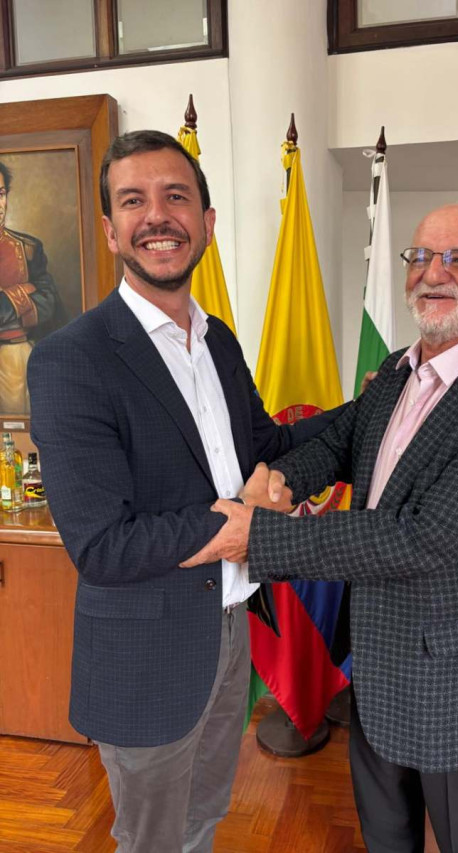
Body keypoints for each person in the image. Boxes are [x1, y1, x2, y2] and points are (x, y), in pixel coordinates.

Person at [187, 204, 458, 852]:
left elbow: (424, 538)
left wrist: (257, 535)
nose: (433, 273)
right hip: (377, 672)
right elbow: (339, 442)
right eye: (420, 256)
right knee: (385, 839)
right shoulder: (394, 371)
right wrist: (277, 481)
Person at [27, 129, 342, 853]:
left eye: (176, 196)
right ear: (111, 230)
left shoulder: (219, 339)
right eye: (132, 201)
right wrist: (234, 523)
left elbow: (268, 449)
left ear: (206, 221)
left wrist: (381, 399)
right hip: (145, 656)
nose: (156, 216)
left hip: (228, 629)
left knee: (204, 818)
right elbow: (102, 547)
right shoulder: (71, 359)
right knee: (151, 840)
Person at [0, 161, 64, 413]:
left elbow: (48, 303)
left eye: (1, 194)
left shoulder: (28, 248)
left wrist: (7, 302)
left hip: (14, 356)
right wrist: (20, 292)